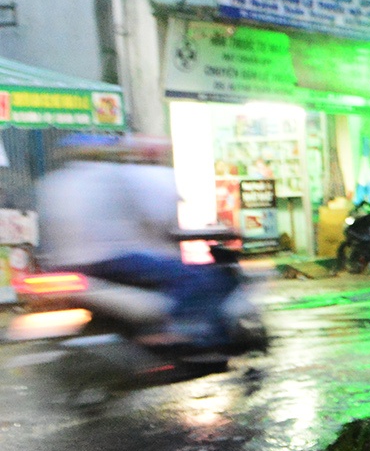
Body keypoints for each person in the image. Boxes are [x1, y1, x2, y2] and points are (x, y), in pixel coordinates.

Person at [36, 133, 232, 346]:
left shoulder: (51, 182)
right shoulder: (116, 176)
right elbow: (154, 218)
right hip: (114, 261)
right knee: (197, 278)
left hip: (65, 266)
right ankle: (169, 331)